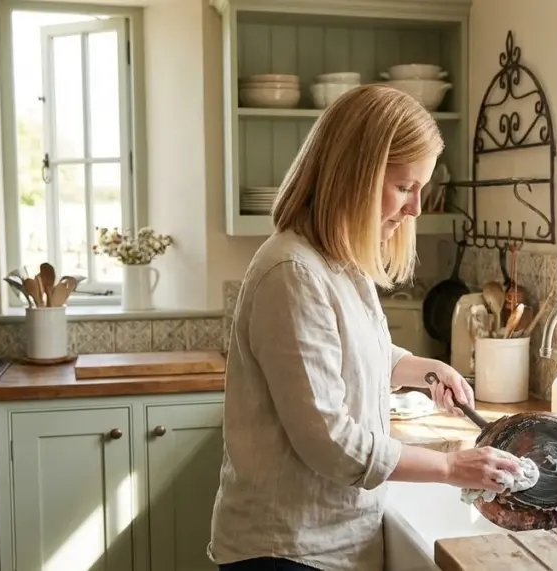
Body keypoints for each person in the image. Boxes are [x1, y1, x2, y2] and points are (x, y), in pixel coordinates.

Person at [207, 84, 524, 571]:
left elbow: (356, 349)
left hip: (333, 541)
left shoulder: (338, 261)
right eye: (404, 187)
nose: (417, 207)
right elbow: (329, 440)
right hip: (287, 550)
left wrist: (422, 368)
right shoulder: (292, 272)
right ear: (353, 177)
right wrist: (449, 467)